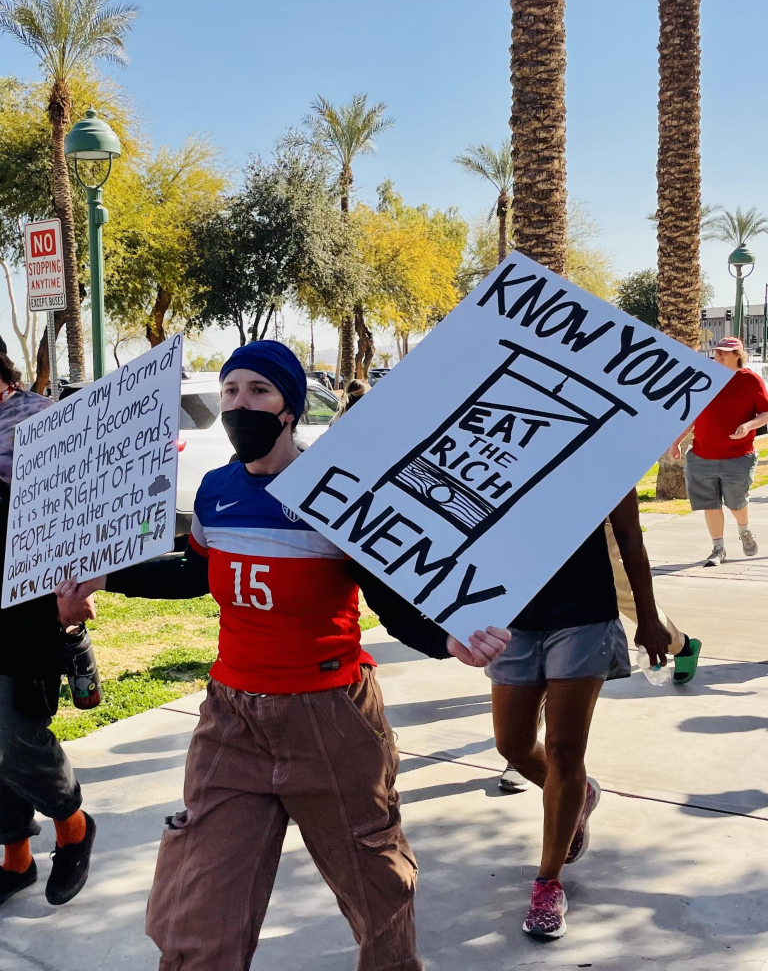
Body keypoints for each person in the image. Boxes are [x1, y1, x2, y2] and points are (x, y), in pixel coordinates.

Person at [58, 340, 509, 971]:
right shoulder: (216, 491)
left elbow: (391, 597)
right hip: (230, 723)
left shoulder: (334, 493)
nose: (240, 404)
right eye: (232, 391)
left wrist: (447, 639)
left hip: (330, 719)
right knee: (198, 905)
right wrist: (109, 576)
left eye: (259, 392)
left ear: (290, 409)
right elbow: (196, 574)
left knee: (378, 890)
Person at [490, 488, 671, 939]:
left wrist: (648, 618)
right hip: (507, 613)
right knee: (512, 744)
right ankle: (581, 796)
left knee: (565, 750)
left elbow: (629, 535)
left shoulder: (603, 444)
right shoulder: (493, 442)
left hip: (583, 613)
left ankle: (547, 883)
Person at [0, 353, 97, 908]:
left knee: (17, 737)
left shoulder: (45, 423)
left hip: (28, 612)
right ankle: (16, 858)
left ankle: (73, 825)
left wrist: (76, 591)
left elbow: (83, 512)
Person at [670, 336, 768, 566]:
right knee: (709, 504)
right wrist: (677, 442)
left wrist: (748, 426)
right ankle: (718, 549)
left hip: (738, 456)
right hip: (702, 456)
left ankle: (744, 531)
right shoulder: (706, 379)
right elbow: (694, 415)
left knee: (736, 502)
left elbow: (765, 413)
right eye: (717, 351)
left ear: (737, 355)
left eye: (725, 352)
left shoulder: (750, 380)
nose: (719, 355)